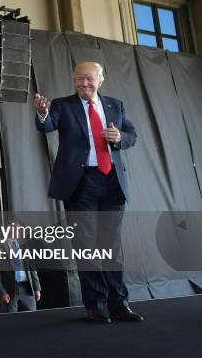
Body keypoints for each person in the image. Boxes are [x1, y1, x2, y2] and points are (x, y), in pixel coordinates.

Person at [34, 62, 143, 324]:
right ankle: (96, 305)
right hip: (80, 184)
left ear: (100, 79)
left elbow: (132, 135)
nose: (83, 83)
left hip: (112, 183)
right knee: (87, 247)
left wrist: (119, 138)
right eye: (78, 79)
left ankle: (119, 304)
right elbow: (46, 126)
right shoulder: (62, 104)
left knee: (112, 248)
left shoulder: (114, 104)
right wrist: (42, 113)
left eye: (89, 79)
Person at [0, 229, 42, 313]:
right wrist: (1, 292)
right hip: (9, 289)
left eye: (17, 229)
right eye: (13, 229)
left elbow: (32, 267)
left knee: (32, 318)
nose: (16, 231)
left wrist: (37, 288)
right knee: (11, 319)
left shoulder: (25, 245)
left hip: (27, 288)